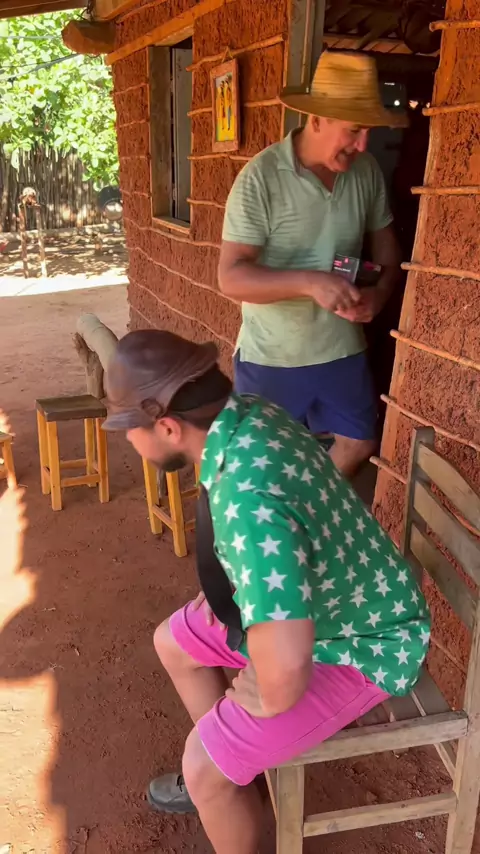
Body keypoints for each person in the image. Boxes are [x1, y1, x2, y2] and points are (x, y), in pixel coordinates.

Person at [103, 328, 430, 854]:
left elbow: (286, 670)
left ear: (166, 427)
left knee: (202, 764)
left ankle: (218, 779)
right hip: (334, 594)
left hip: (365, 640)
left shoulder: (249, 499)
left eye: (128, 428)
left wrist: (270, 684)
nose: (126, 440)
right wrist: (237, 597)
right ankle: (235, 781)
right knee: (175, 642)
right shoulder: (246, 414)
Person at [218, 51, 406, 478]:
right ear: (316, 120)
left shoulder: (366, 171)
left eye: (369, 132)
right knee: (263, 467)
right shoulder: (261, 178)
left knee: (359, 443)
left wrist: (379, 294)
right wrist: (309, 282)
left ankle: (308, 504)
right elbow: (231, 277)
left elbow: (387, 253)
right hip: (272, 354)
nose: (363, 145)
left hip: (342, 348)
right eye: (354, 130)